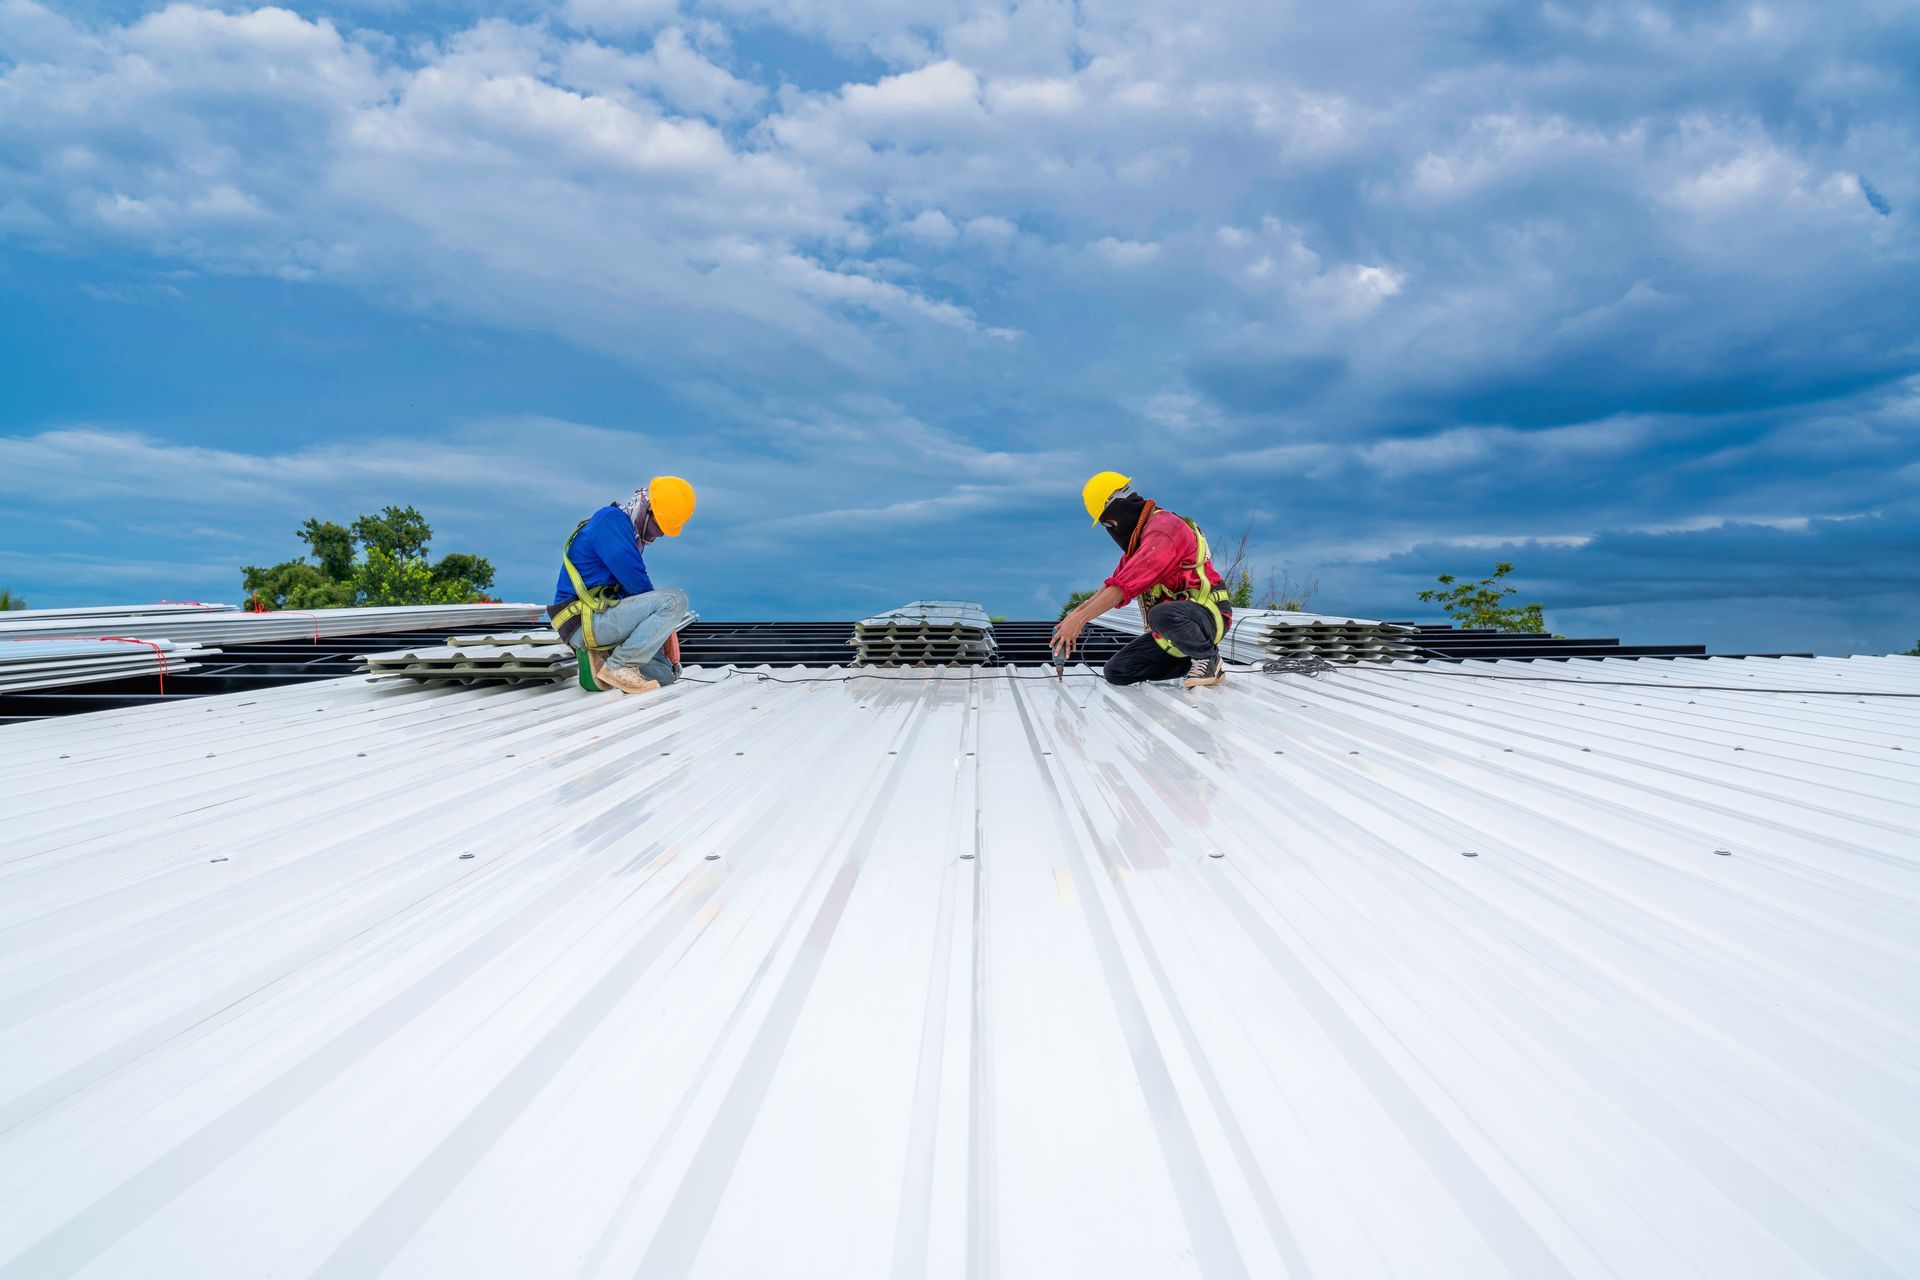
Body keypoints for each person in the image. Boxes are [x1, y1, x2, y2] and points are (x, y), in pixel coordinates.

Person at [1050, 471, 1232, 688]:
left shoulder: (1164, 530)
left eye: (1108, 524)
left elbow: (1122, 589)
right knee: (1117, 671)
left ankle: (1207, 658)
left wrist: (1079, 622)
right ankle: (1189, 663)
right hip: (1174, 628)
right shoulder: (1140, 542)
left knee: (1160, 614)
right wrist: (1073, 618)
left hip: (1207, 615)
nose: (1111, 529)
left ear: (1116, 510)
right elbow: (1112, 585)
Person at [551, 477, 696, 694]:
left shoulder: (629, 535)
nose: (660, 535)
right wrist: (669, 629)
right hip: (584, 622)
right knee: (676, 600)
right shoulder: (611, 524)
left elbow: (635, 599)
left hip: (603, 616)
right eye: (660, 526)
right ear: (647, 509)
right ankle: (618, 665)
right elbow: (639, 587)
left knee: (666, 674)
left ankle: (606, 661)